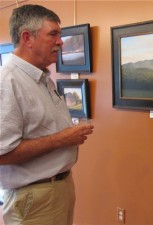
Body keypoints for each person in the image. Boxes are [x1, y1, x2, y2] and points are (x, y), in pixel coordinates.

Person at [0, 4, 94, 225]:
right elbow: (3, 153)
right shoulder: (8, 82)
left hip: (55, 189)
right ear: (27, 38)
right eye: (53, 34)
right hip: (35, 198)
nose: (61, 41)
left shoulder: (42, 78)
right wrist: (63, 139)